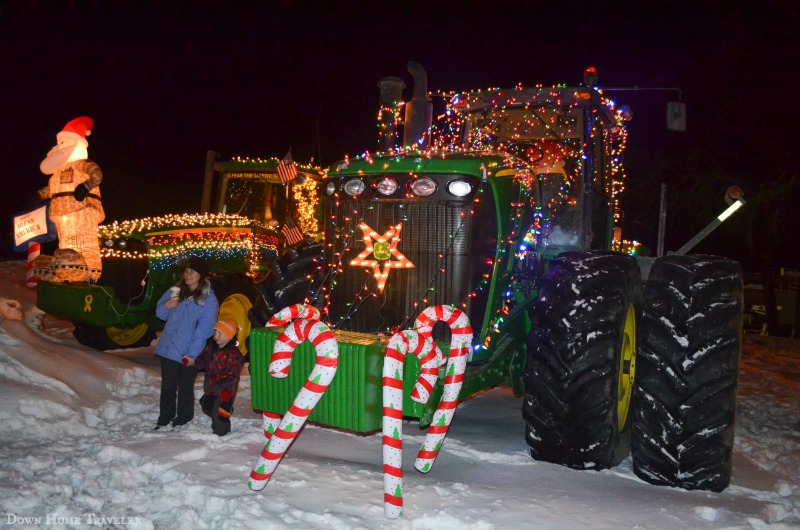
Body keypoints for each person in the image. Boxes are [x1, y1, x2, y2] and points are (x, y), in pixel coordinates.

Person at [153, 257, 218, 430]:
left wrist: (192, 354)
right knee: (168, 385)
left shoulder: (208, 300)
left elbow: (204, 330)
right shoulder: (176, 290)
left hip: (188, 351)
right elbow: (161, 314)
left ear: (201, 275)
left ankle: (183, 417)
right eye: (186, 270)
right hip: (168, 346)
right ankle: (165, 417)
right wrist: (167, 305)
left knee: (185, 387)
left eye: (192, 271)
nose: (187, 274)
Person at [195, 318, 246, 436]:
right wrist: (193, 362)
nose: (216, 336)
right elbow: (203, 358)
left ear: (229, 336)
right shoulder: (212, 348)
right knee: (206, 406)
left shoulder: (233, 355)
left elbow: (232, 378)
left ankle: (224, 420)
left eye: (220, 333)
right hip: (210, 389)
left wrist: (227, 393)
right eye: (215, 332)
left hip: (224, 394)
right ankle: (219, 410)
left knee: (220, 425)